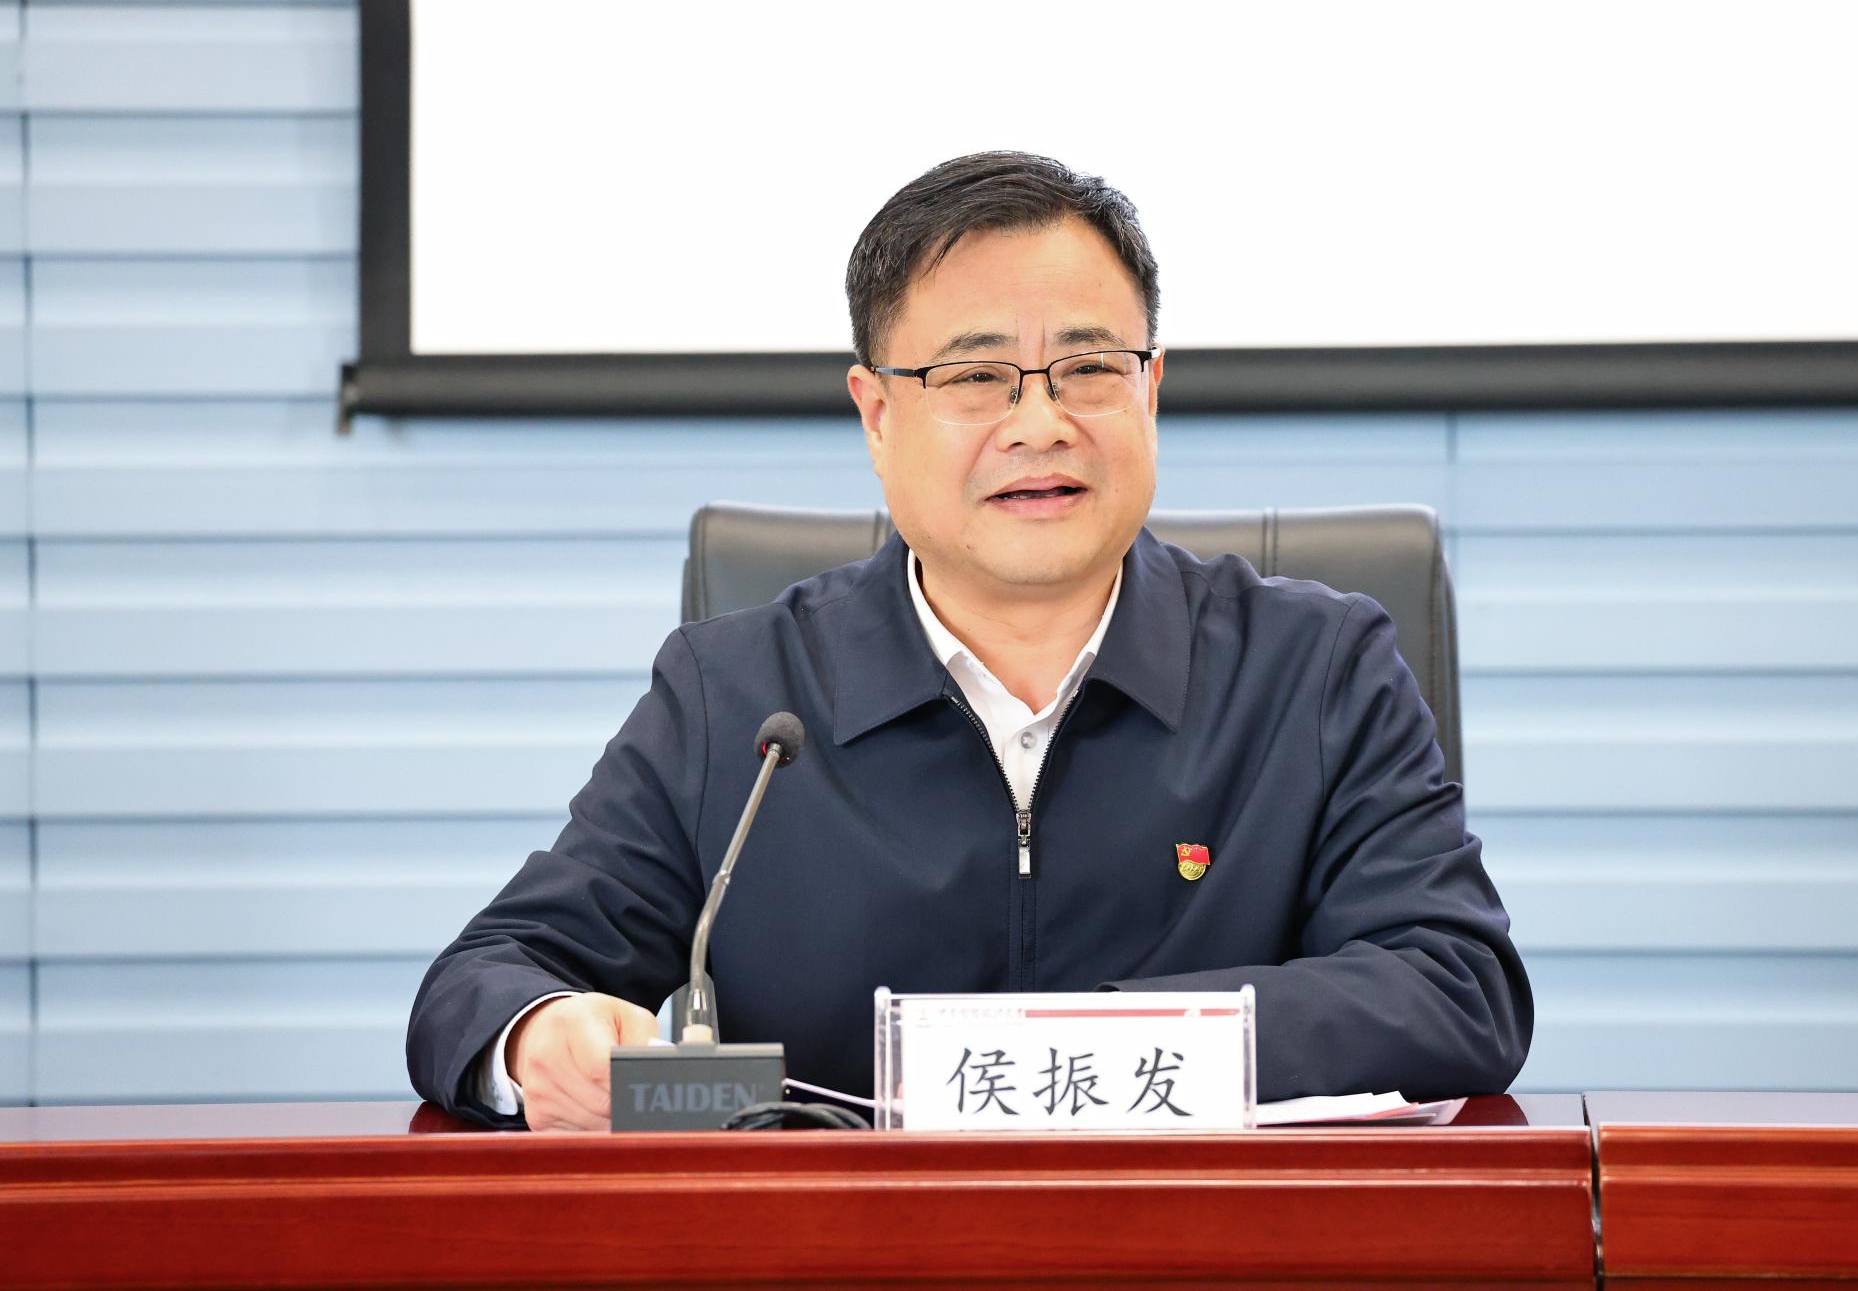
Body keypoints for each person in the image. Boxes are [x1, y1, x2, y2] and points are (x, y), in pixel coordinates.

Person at [407, 152, 1532, 1130]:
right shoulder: (735, 698)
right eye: (976, 377)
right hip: (840, 1265)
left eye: (1089, 369)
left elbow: (1454, 988)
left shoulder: (1314, 671)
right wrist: (538, 1035)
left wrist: (1072, 1051)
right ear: (877, 413)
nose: (1039, 422)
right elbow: (485, 982)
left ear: (1150, 392)